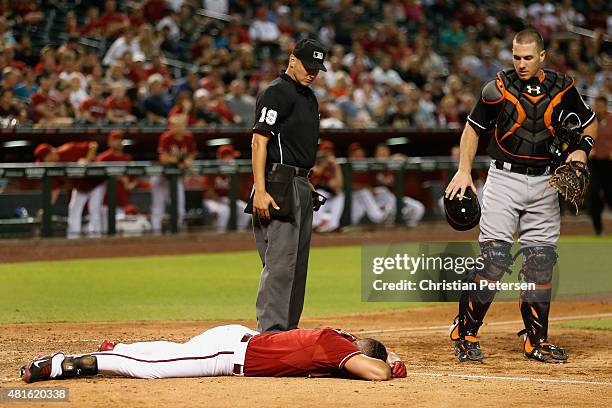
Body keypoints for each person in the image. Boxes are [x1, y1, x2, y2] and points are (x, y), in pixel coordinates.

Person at [445, 28, 598, 363]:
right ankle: (465, 332)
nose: (521, 63)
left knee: (541, 263)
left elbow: (590, 123)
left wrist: (581, 153)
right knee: (495, 258)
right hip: (504, 179)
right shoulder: (497, 88)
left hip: (546, 182)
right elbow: (473, 129)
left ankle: (535, 340)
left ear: (542, 56)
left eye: (528, 57)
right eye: (516, 57)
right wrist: (464, 170)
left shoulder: (563, 87)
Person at [20, 325, 407, 383]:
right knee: (157, 370)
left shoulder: (330, 342)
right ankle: (62, 364)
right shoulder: (339, 344)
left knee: (176, 353)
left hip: (236, 338)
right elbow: (376, 374)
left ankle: (118, 349)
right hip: (230, 352)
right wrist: (389, 366)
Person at [251, 39, 327, 333]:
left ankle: (288, 332)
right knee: (280, 266)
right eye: (308, 66)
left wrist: (305, 183)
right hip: (276, 182)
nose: (312, 73)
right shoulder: (276, 92)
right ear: (292, 59)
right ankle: (270, 334)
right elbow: (259, 140)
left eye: (317, 69)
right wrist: (260, 189)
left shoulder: (309, 97)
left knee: (297, 267)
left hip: (299, 182)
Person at [34, 141, 99, 238]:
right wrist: (45, 209)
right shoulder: (53, 169)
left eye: (44, 159)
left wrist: (87, 160)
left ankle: (98, 238)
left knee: (94, 208)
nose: (45, 163)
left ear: (49, 155)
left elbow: (93, 145)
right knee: (74, 209)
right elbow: (54, 191)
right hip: (80, 186)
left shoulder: (68, 149)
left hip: (96, 182)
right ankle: (73, 239)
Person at [150, 114, 197, 234]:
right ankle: (156, 233)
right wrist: (180, 162)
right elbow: (163, 158)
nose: (178, 128)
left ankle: (176, 232)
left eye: (180, 125)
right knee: (158, 206)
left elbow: (192, 154)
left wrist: (188, 161)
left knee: (180, 209)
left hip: (175, 178)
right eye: (175, 126)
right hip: (161, 176)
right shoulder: (166, 137)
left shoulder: (188, 137)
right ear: (170, 126)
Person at [89, 130, 136, 236]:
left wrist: (131, 184)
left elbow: (133, 179)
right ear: (109, 142)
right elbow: (95, 178)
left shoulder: (127, 159)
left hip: (123, 204)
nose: (118, 142)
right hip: (106, 205)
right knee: (105, 235)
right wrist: (119, 176)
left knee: (123, 236)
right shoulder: (103, 158)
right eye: (115, 140)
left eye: (120, 139)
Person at [372, 143, 425, 227]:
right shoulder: (372, 166)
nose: (383, 157)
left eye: (385, 154)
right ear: (375, 155)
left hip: (395, 199)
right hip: (377, 202)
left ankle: (408, 231)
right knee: (382, 191)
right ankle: (403, 213)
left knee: (419, 208)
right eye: (380, 155)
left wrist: (397, 157)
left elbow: (405, 160)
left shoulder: (392, 166)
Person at [202, 144, 251, 232]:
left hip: (228, 200)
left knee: (245, 211)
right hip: (212, 200)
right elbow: (208, 193)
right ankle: (219, 236)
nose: (232, 160)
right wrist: (223, 201)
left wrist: (229, 201)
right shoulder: (213, 170)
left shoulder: (234, 171)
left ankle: (237, 235)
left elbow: (240, 192)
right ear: (222, 158)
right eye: (229, 157)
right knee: (224, 212)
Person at [347, 142, 389, 226]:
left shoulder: (367, 166)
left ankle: (392, 213)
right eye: (356, 155)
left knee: (382, 191)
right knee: (364, 192)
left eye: (360, 155)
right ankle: (378, 216)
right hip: (350, 196)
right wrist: (366, 187)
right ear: (351, 155)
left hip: (364, 197)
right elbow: (347, 186)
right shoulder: (347, 166)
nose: (359, 157)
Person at [588, 96, 612, 235]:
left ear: (605, 106)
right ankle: (598, 229)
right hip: (594, 162)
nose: (598, 108)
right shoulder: (590, 120)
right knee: (594, 194)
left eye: (600, 105)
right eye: (596, 105)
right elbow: (581, 136)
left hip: (609, 163)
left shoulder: (611, 120)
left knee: (610, 194)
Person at [310, 142, 344, 233]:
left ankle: (333, 225)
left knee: (340, 195)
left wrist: (336, 166)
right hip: (313, 196)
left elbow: (339, 184)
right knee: (321, 193)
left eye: (329, 151)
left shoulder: (332, 166)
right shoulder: (312, 161)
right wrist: (325, 161)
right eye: (325, 151)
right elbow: (317, 173)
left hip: (328, 197)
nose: (328, 153)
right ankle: (315, 224)